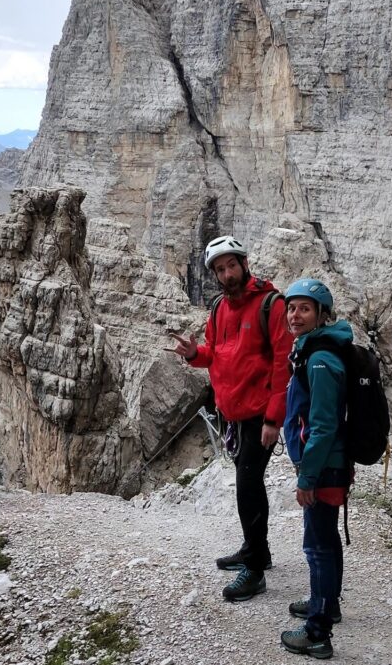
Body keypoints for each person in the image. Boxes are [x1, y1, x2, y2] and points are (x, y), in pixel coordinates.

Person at [168, 235, 294, 602]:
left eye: (231, 265)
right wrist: (195, 354)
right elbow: (218, 355)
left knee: (247, 488)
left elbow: (282, 364)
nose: (227, 274)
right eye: (220, 269)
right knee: (249, 485)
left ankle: (254, 570)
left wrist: (274, 419)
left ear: (243, 264)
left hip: (259, 415)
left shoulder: (271, 304)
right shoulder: (220, 308)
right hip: (234, 414)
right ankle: (258, 550)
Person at [279, 277, 353, 660]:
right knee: (326, 541)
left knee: (318, 547)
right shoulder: (314, 350)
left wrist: (306, 477)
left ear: (321, 314)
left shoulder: (321, 359)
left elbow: (322, 425)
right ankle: (327, 605)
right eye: (292, 308)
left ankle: (317, 633)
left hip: (323, 468)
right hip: (330, 466)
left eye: (304, 308)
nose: (295, 314)